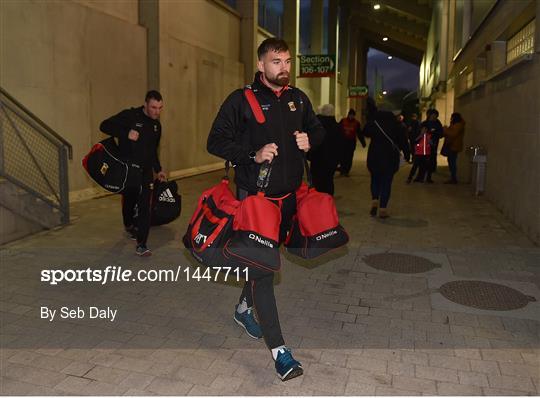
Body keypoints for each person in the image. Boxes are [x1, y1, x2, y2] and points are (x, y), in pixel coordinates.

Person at [207, 38, 325, 381]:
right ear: (261, 65)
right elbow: (215, 141)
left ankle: (244, 308)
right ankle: (280, 353)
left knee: (266, 261)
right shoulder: (240, 100)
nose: (284, 67)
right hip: (255, 201)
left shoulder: (298, 99)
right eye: (276, 61)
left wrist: (311, 140)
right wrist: (251, 153)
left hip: (288, 199)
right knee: (264, 270)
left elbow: (317, 130)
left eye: (287, 61)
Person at [99, 90, 167, 256]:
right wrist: (126, 133)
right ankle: (128, 224)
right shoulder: (130, 116)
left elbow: (152, 150)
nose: (157, 112)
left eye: (160, 108)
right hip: (129, 169)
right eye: (153, 107)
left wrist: (158, 169)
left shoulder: (157, 125)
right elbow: (104, 125)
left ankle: (142, 244)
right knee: (129, 199)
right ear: (145, 104)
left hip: (145, 171)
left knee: (145, 206)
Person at [362, 98, 410, 218]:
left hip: (374, 155)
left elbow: (365, 132)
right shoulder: (396, 124)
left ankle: (374, 200)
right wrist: (407, 154)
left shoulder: (373, 121)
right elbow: (403, 141)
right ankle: (383, 208)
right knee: (386, 182)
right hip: (390, 156)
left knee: (375, 179)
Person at [311, 104, 340, 195]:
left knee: (316, 182)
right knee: (328, 181)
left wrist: (309, 155)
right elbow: (340, 145)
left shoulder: (316, 125)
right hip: (331, 160)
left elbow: (312, 141)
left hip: (317, 158)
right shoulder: (336, 126)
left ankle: (318, 203)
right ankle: (327, 202)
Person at [338, 108, 366, 176]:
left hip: (351, 142)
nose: (351, 116)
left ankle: (346, 171)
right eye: (350, 115)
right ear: (348, 115)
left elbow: (359, 133)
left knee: (349, 157)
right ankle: (342, 169)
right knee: (342, 156)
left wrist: (363, 142)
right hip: (343, 142)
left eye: (353, 115)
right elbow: (338, 130)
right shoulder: (343, 121)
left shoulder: (356, 123)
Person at [442, 112, 466, 184]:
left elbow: (452, 134)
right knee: (451, 162)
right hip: (452, 145)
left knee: (452, 162)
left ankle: (453, 178)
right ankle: (453, 178)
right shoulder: (456, 125)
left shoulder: (458, 125)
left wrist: (445, 129)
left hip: (453, 146)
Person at [423, 109, 444, 183]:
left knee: (431, 160)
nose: (434, 116)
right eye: (433, 115)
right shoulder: (425, 123)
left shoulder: (438, 123)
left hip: (434, 145)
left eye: (435, 115)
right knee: (424, 160)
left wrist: (435, 133)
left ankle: (429, 176)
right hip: (425, 145)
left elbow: (441, 134)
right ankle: (422, 176)